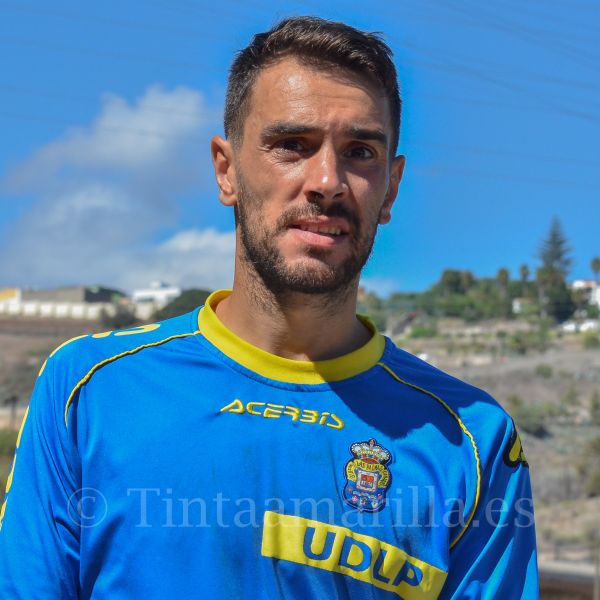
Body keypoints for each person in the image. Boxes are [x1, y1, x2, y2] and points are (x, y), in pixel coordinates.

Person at [0, 16, 538, 599]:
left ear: (391, 186)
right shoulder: (90, 389)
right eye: (292, 145)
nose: (327, 181)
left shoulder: (472, 441)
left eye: (360, 151)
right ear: (226, 170)